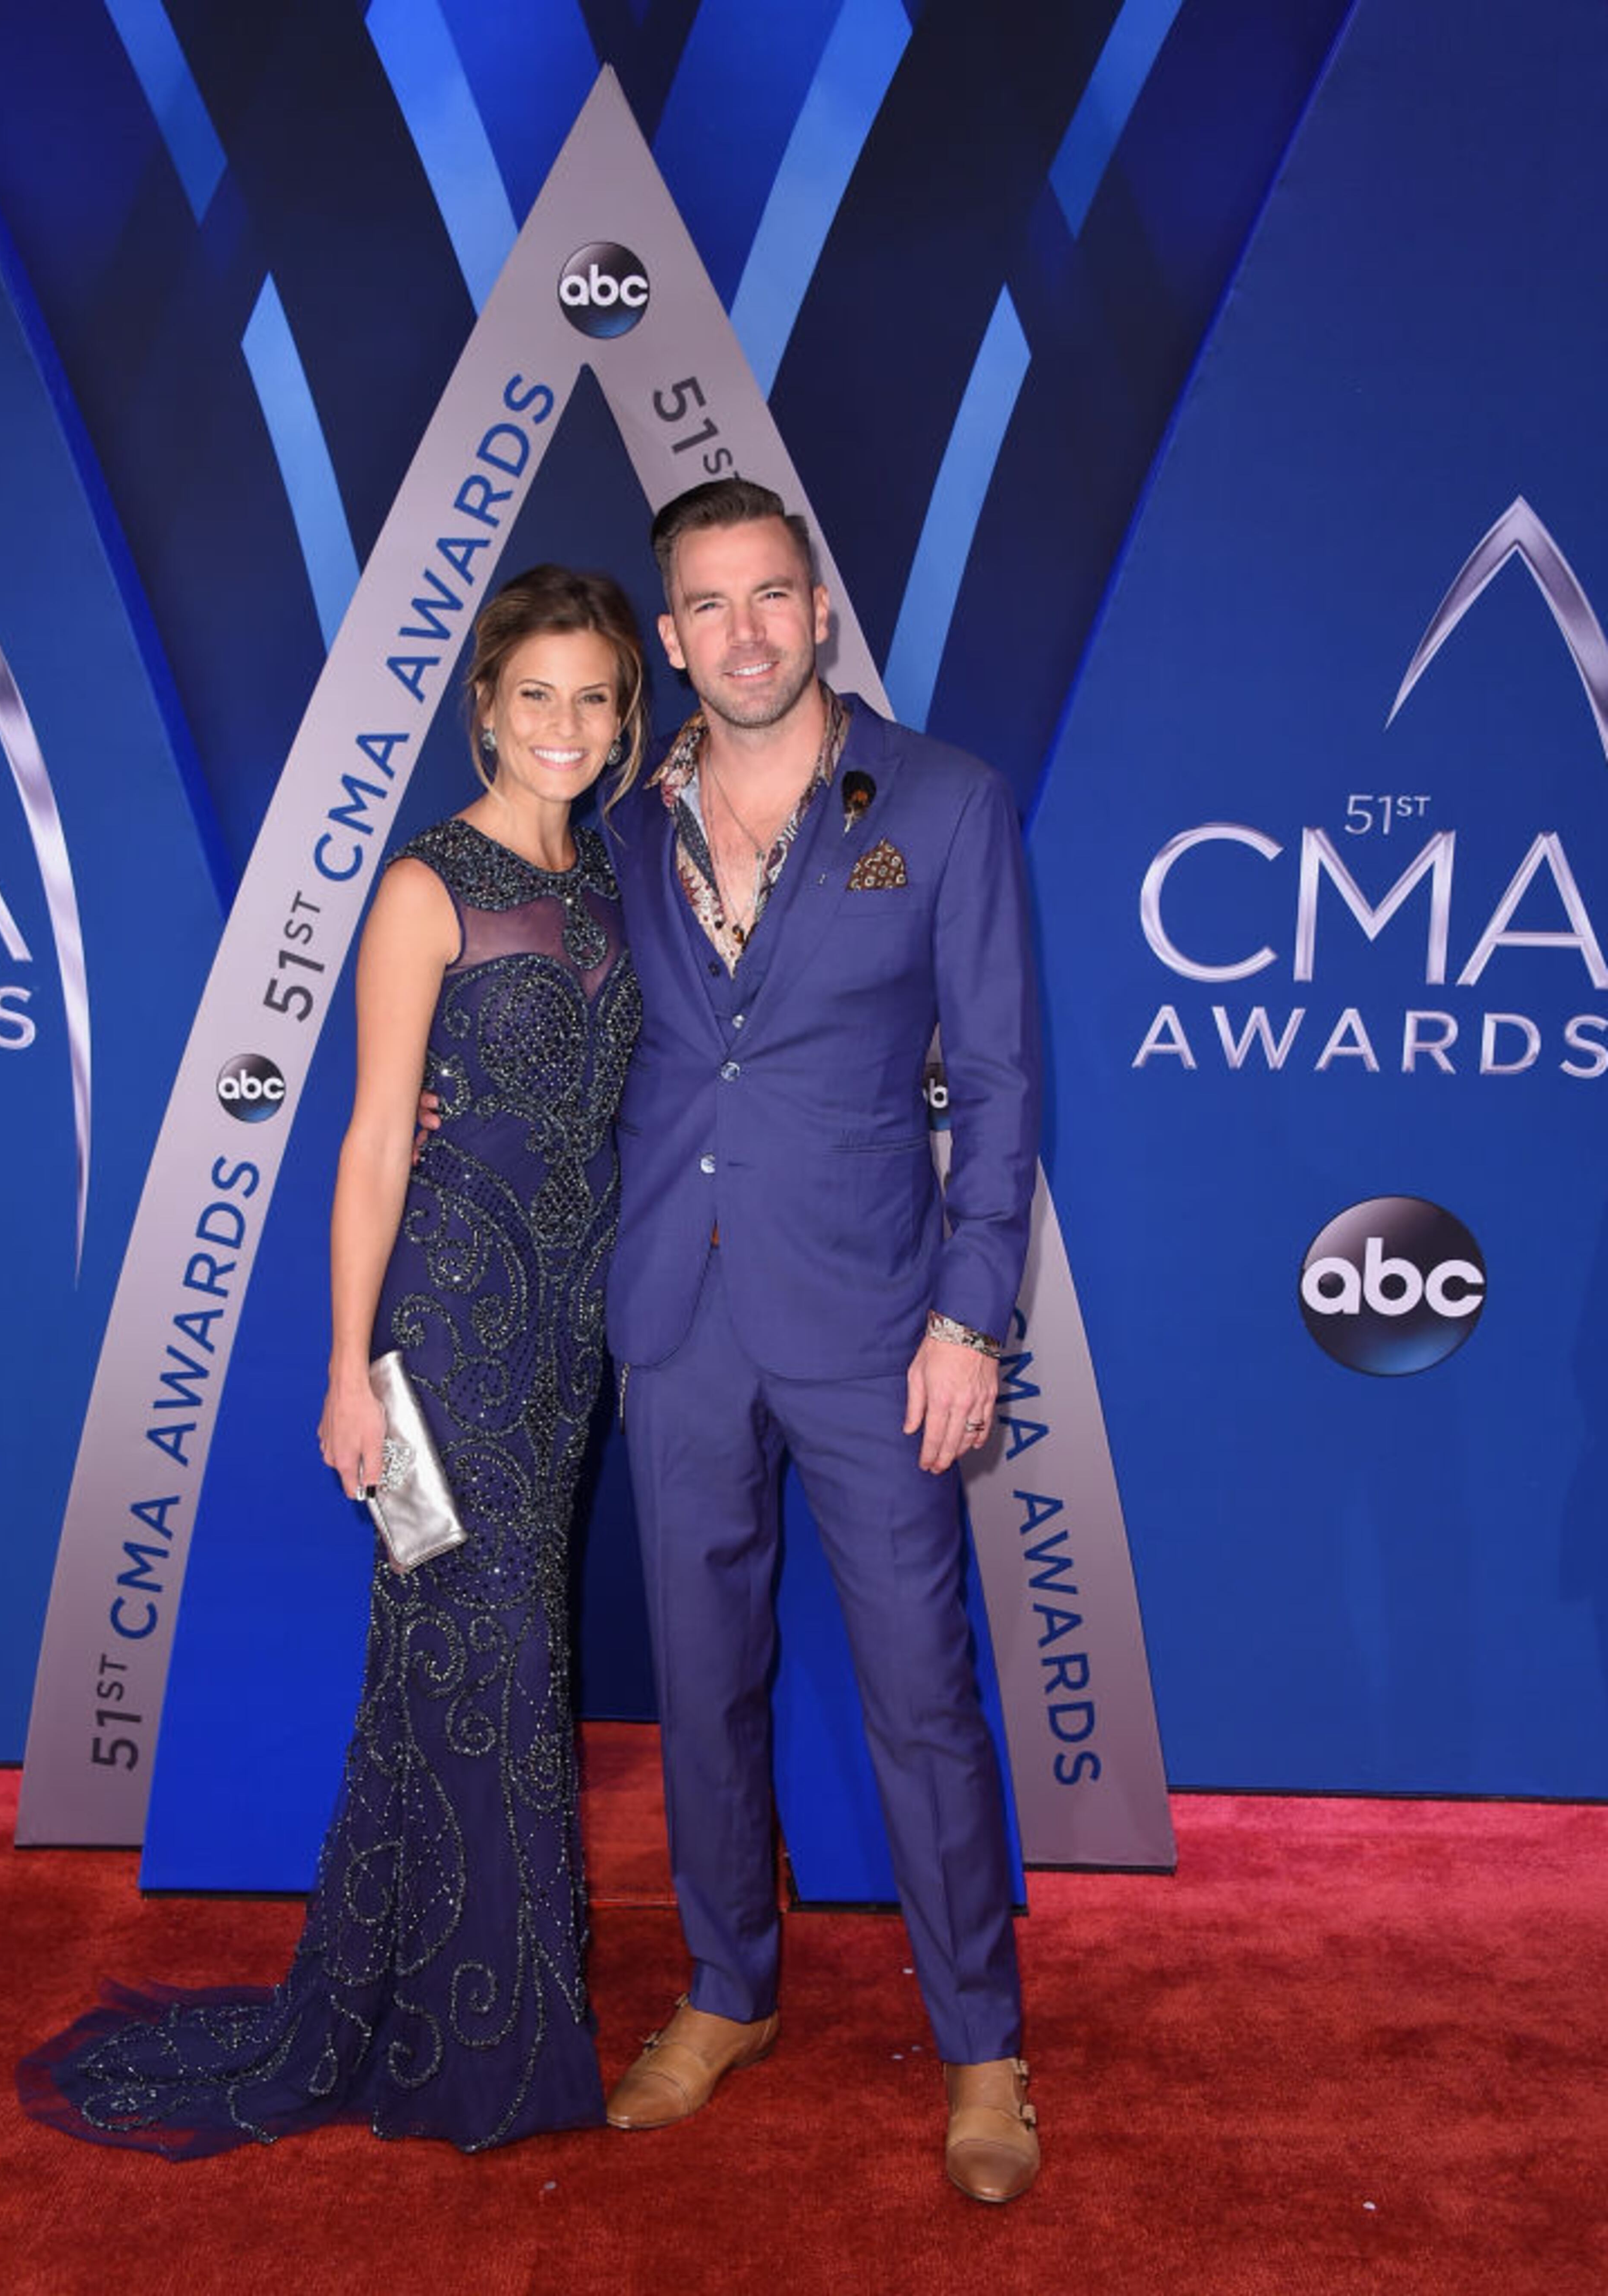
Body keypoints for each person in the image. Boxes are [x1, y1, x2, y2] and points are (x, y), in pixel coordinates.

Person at [18, 565, 647, 2157]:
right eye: (536, 696)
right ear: (483, 707)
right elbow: (373, 1142)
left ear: (624, 717)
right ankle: (482, 2044)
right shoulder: (428, 885)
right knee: (488, 1656)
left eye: (594, 698)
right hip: (447, 1323)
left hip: (572, 1332)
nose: (563, 726)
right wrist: (347, 1368)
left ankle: (427, 1999)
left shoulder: (614, 883)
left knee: (488, 1663)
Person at [599, 478, 1042, 2203]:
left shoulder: (940, 802)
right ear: (671, 635)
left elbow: (998, 1084)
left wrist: (970, 1314)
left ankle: (983, 2052)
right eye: (707, 606)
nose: (744, 631)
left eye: (771, 595)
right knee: (703, 1684)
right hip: (675, 1319)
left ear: (818, 608)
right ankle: (727, 1992)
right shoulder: (629, 827)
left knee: (922, 1694)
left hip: (878, 1323)